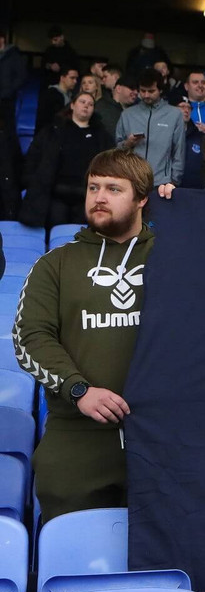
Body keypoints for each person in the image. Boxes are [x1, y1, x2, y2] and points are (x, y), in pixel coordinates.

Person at [13, 150, 156, 521]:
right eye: (93, 187)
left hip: (161, 441)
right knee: (76, 569)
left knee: (158, 576)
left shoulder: (173, 256)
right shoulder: (55, 264)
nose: (99, 197)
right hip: (76, 442)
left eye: (113, 188)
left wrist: (185, 207)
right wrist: (79, 389)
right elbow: (30, 337)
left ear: (142, 198)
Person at [21, 91, 116, 228]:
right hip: (56, 193)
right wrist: (30, 180)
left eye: (90, 104)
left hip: (86, 195)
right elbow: (34, 157)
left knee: (79, 239)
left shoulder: (102, 136)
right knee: (55, 235)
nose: (86, 106)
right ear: (72, 105)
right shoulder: (53, 131)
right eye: (82, 102)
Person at [116, 68, 185, 187]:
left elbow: (179, 151)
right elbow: (116, 149)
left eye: (151, 91)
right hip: (131, 181)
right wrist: (128, 143)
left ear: (161, 90)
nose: (146, 95)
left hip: (162, 183)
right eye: (142, 91)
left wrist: (174, 181)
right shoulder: (127, 114)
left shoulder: (174, 114)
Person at [37, 65, 80, 134]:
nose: (75, 81)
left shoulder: (72, 96)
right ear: (62, 78)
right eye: (72, 78)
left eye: (76, 78)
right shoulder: (50, 95)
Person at [95, 75, 135, 139]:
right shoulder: (101, 107)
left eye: (137, 90)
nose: (136, 92)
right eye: (132, 88)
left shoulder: (136, 109)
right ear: (119, 88)